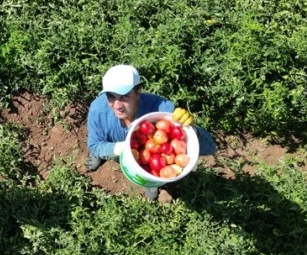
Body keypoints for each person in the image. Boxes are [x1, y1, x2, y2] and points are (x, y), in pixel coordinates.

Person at [86, 64, 216, 199]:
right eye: (111, 96)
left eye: (124, 96)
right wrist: (120, 148)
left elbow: (210, 147)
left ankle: (150, 183)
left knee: (149, 174)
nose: (117, 105)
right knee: (100, 148)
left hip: (148, 162)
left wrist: (192, 129)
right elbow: (94, 144)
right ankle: (100, 156)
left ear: (138, 92)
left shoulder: (161, 110)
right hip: (117, 148)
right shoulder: (98, 110)